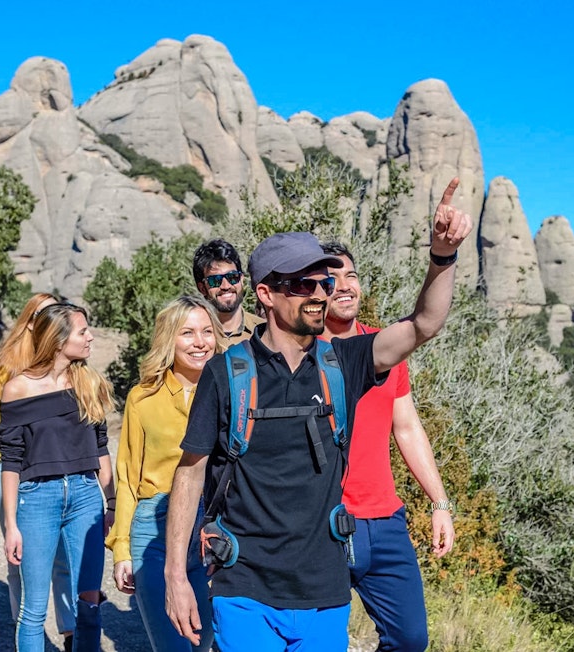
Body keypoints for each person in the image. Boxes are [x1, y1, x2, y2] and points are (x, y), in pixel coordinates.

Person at [164, 177, 473, 651]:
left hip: (325, 594)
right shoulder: (227, 374)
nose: (319, 293)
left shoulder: (344, 364)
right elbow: (190, 473)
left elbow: (425, 324)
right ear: (266, 294)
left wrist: (442, 256)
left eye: (323, 282)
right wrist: (174, 576)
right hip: (245, 586)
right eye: (302, 283)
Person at [321, 241, 455, 652]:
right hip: (322, 525)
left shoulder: (385, 349)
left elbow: (408, 427)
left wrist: (439, 503)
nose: (344, 286)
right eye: (330, 280)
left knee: (410, 640)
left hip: (385, 521)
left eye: (351, 276)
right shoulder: (302, 356)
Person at [105, 296, 222, 652]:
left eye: (206, 331)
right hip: (153, 530)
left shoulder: (237, 392)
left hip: (213, 533)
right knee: (173, 646)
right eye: (187, 333)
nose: (199, 342)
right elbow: (127, 477)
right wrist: (121, 548)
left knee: (203, 643)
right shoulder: (142, 398)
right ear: (168, 340)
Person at [0, 303, 117, 652]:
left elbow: (101, 449)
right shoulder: (16, 389)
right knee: (33, 610)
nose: (90, 336)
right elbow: (11, 462)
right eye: (83, 331)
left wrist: (110, 502)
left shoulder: (89, 383)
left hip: (85, 497)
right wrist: (11, 525)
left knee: (89, 600)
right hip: (36, 499)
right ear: (57, 339)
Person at [0, 293, 77, 648]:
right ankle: (29, 633)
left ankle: (69, 632)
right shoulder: (8, 366)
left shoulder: (67, 366)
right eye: (42, 314)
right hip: (14, 473)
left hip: (56, 473)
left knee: (64, 559)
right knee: (20, 564)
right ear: (30, 321)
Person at [192, 238, 263, 345]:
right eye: (215, 280)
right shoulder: (192, 340)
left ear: (241, 279)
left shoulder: (264, 332)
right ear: (202, 288)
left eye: (232, 277)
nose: (226, 286)